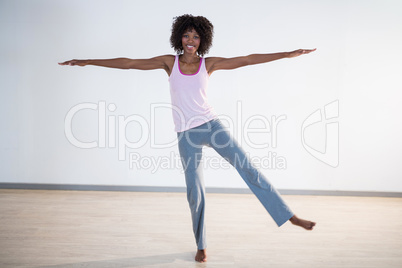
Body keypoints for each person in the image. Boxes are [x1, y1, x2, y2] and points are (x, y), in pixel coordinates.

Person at [59, 14, 316, 263]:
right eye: (186, 35)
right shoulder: (169, 63)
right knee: (195, 191)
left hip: (212, 126)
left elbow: (247, 59)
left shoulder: (209, 64)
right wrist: (87, 61)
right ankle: (201, 246)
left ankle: (289, 216)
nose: (190, 40)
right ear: (179, 38)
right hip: (186, 135)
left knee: (247, 167)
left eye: (195, 36)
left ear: (202, 39)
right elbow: (129, 63)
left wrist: (286, 54)